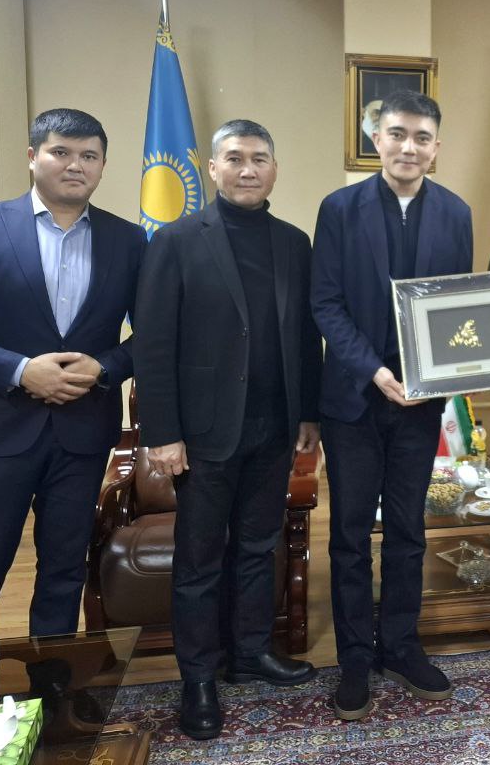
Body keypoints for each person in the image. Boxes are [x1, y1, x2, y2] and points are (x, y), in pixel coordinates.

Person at [0, 108, 145, 645]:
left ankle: (54, 685)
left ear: (102, 165)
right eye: (60, 152)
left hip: (83, 435)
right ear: (32, 156)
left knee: (64, 573)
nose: (75, 165)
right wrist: (20, 371)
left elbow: (153, 336)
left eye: (89, 156)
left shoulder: (129, 241)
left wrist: (105, 367)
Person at [133, 119, 322, 740]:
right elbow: (153, 345)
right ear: (212, 168)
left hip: (274, 427)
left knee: (258, 547)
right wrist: (162, 433)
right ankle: (198, 677)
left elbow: (306, 337)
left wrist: (309, 413)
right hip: (204, 433)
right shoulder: (175, 240)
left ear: (274, 169)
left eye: (259, 158)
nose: (248, 169)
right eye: (235, 158)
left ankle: (250, 652)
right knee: (199, 559)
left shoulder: (294, 243)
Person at [311, 90, 473, 721]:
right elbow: (326, 304)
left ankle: (402, 644)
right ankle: (355, 656)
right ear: (376, 139)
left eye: (422, 138)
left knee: (408, 530)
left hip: (420, 403)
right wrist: (376, 372)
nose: (409, 147)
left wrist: (443, 374)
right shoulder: (339, 208)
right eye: (398, 134)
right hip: (355, 397)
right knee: (350, 535)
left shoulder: (456, 213)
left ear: (436, 148)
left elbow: (457, 306)